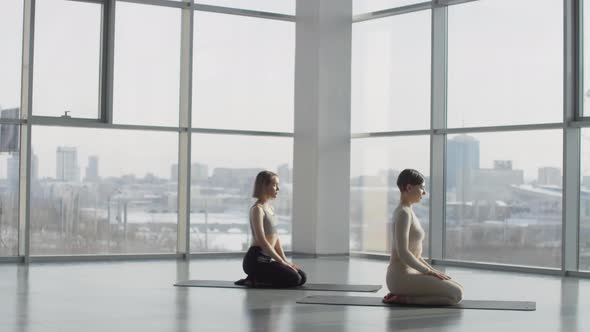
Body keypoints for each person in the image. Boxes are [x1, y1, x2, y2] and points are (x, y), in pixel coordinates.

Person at [383, 169, 463, 305]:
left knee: (458, 288)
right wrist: (428, 272)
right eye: (421, 188)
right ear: (409, 187)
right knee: (455, 295)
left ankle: (404, 295)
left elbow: (416, 255)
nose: (424, 192)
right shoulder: (403, 213)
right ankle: (403, 298)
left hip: (410, 272)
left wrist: (433, 271)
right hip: (399, 277)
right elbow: (403, 252)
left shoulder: (408, 211)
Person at [235, 170, 306, 288]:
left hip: (267, 259)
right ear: (264, 186)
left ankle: (256, 278)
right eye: (274, 185)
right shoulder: (257, 209)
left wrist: (286, 261)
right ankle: (253, 280)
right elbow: (262, 241)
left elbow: (275, 239)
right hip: (255, 261)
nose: (278, 189)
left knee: (302, 277)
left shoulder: (270, 208)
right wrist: (281, 262)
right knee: (294, 278)